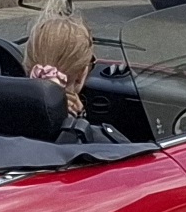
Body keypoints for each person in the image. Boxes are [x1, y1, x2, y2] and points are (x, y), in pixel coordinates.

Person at [23, 10, 129, 144]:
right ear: (80, 73)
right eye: (91, 62)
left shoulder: (1, 120)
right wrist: (80, 119)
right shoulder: (100, 144)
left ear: (28, 65)